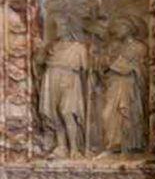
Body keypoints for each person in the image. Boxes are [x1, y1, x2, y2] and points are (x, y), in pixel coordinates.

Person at [38, 19, 89, 158]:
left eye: (62, 26)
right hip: (51, 77)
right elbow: (39, 63)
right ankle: (61, 146)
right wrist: (40, 51)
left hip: (70, 80)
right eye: (57, 26)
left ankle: (75, 148)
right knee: (54, 114)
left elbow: (85, 70)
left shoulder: (78, 47)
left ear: (70, 28)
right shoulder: (52, 47)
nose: (58, 29)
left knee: (67, 112)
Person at [100, 19, 147, 154]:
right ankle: (113, 143)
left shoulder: (139, 47)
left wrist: (128, 67)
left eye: (120, 27)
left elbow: (140, 67)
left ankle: (129, 144)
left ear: (129, 28)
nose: (116, 31)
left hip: (129, 85)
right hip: (113, 84)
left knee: (127, 113)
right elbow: (105, 65)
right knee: (108, 113)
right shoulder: (115, 47)